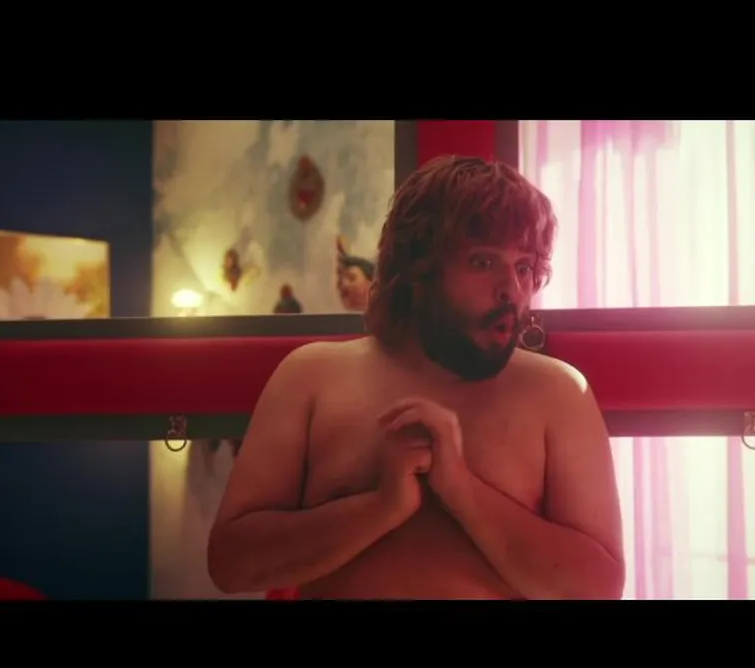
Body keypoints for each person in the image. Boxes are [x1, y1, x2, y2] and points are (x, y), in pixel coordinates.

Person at [207, 155, 625, 600]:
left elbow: (598, 587)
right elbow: (230, 565)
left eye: (524, 267)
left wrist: (462, 489)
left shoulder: (559, 393)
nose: (512, 289)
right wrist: (380, 508)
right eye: (483, 261)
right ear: (417, 269)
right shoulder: (310, 376)